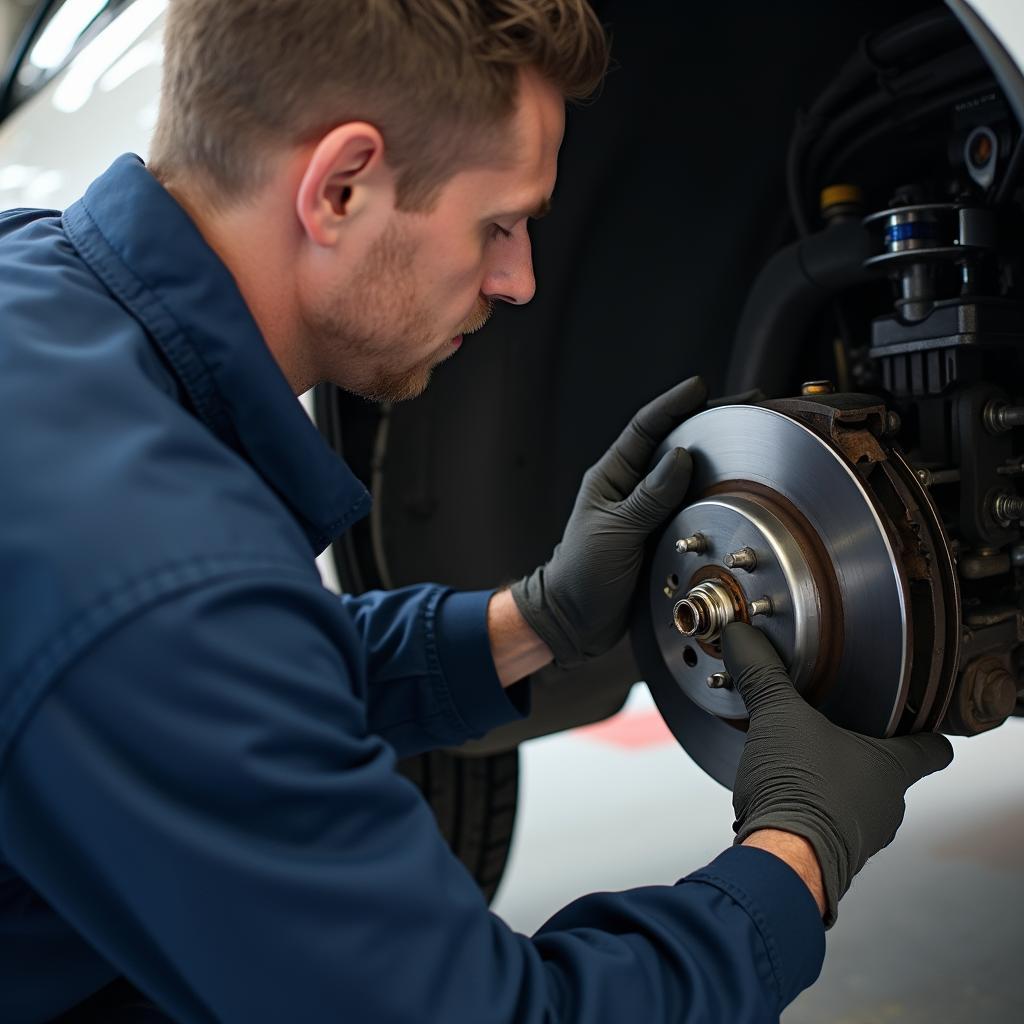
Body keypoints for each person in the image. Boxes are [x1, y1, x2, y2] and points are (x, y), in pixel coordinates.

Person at [0, 1, 953, 1021]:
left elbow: (223, 681)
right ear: (342, 186)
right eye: (497, 224)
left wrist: (533, 620)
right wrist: (797, 847)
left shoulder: (38, 287)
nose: (519, 280)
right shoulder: (153, 576)